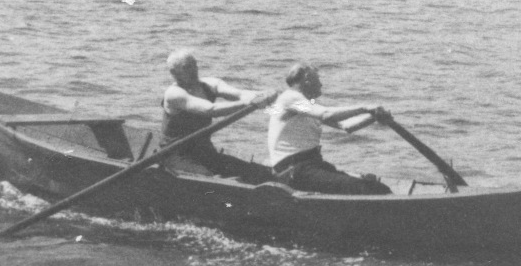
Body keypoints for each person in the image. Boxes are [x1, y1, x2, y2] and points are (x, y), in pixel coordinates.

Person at [266, 63, 392, 195]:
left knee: (375, 186)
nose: (321, 85)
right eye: (318, 79)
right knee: (364, 188)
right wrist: (365, 107)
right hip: (293, 171)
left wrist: (374, 117)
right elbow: (326, 113)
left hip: (309, 166)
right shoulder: (290, 98)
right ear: (307, 79)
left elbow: (347, 126)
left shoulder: (307, 106)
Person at [161, 50, 276, 183]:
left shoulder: (210, 84)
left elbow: (240, 94)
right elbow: (210, 110)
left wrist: (264, 94)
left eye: (194, 65)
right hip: (176, 156)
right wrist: (248, 103)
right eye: (187, 67)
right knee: (216, 181)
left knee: (257, 172)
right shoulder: (174, 94)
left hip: (204, 152)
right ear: (174, 73)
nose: (193, 70)